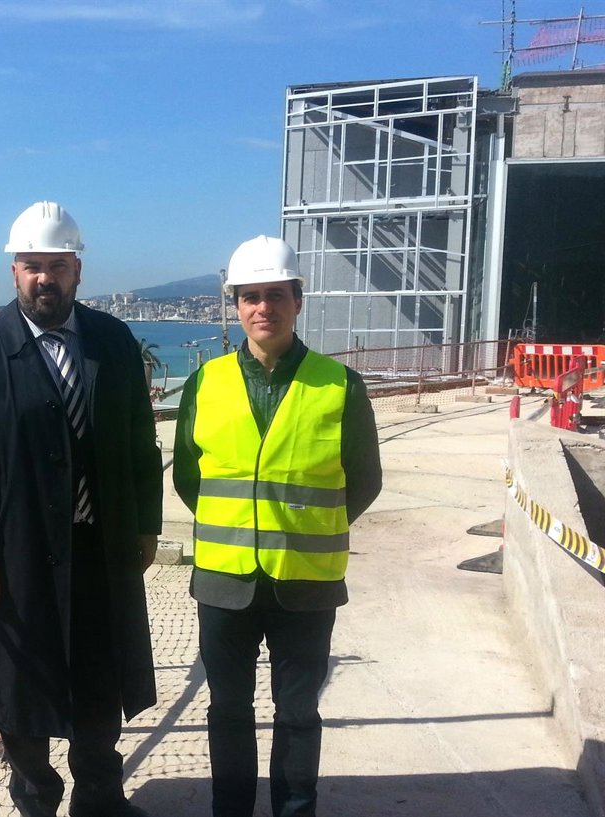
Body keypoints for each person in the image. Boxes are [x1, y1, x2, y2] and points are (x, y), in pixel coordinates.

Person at [0, 201, 163, 817]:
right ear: (14, 270)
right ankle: (36, 801)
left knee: (100, 684)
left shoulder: (113, 341)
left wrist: (146, 524)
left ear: (77, 270)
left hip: (100, 550)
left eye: (57, 266)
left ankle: (100, 799)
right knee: (22, 694)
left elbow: (140, 441)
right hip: (15, 559)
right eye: (33, 266)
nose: (45, 279)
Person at [173, 235, 382, 817]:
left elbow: (364, 480)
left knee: (298, 714)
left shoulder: (339, 385)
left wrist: (300, 527)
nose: (263, 307)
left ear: (298, 301)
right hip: (224, 580)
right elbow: (189, 478)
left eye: (275, 295)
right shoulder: (205, 383)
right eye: (250, 296)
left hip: (306, 580)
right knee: (228, 711)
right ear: (236, 305)